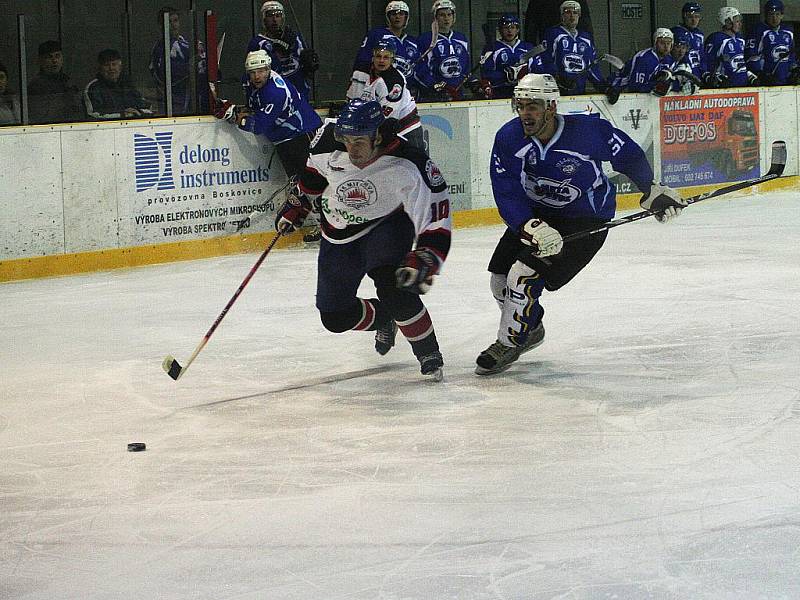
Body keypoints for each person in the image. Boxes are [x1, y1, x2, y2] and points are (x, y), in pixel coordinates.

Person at [475, 73, 686, 375]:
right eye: (520, 105)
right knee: (498, 279)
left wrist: (650, 189)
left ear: (550, 107)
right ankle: (529, 328)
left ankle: (509, 342)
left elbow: (627, 154)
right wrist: (528, 224)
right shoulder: (509, 138)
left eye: (532, 106)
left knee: (522, 274)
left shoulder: (586, 131)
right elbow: (506, 188)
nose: (525, 113)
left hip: (585, 218)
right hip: (538, 214)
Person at [274, 99, 452, 380]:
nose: (351, 148)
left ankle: (428, 353)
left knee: (396, 290)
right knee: (334, 317)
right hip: (338, 231)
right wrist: (298, 204)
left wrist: (427, 254)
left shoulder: (409, 161)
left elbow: (436, 213)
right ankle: (384, 317)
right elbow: (314, 177)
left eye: (358, 140)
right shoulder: (325, 144)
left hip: (387, 225)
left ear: (378, 135)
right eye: (346, 139)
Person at [346, 40, 423, 149]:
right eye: (378, 56)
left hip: (405, 130)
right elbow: (353, 101)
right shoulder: (360, 73)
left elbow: (388, 118)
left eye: (386, 57)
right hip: (377, 130)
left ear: (392, 60)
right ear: (373, 57)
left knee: (412, 164)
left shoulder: (393, 81)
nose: (381, 60)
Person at [246, 1, 318, 102]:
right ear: (264, 19)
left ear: (283, 18)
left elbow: (304, 67)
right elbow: (255, 76)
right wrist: (277, 54)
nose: (274, 20)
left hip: (299, 95)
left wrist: (309, 64)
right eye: (270, 16)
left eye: (278, 15)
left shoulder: (293, 38)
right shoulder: (257, 43)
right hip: (274, 99)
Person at [149, 6, 207, 115]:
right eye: (168, 22)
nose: (173, 25)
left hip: (195, 98)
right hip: (174, 103)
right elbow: (163, 75)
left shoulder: (188, 42)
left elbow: (202, 66)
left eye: (175, 21)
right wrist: (190, 66)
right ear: (161, 26)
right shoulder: (160, 48)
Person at [351, 1, 419, 92]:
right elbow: (362, 62)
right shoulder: (376, 35)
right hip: (379, 88)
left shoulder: (412, 42)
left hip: (404, 91)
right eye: (393, 14)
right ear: (388, 17)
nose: (397, 17)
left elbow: (418, 69)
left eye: (401, 14)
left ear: (406, 18)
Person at [540, 1, 606, 95]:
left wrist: (603, 87)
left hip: (579, 93)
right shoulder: (553, 34)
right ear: (562, 15)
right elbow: (545, 60)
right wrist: (558, 77)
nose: (572, 16)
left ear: (579, 16)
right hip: (556, 93)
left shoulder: (586, 38)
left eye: (575, 13)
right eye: (568, 12)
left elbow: (592, 67)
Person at [414, 0, 470, 102]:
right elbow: (419, 69)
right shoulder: (425, 39)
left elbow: (466, 67)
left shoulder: (461, 38)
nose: (446, 18)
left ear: (453, 17)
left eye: (449, 14)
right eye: (442, 15)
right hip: (434, 95)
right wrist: (433, 85)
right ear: (435, 17)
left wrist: (472, 81)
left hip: (457, 93)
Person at [83, 49, 154, 120]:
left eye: (114, 64)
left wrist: (136, 112)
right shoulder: (93, 88)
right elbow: (92, 115)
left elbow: (147, 107)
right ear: (100, 68)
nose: (111, 68)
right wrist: (122, 114)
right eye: (107, 65)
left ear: (120, 67)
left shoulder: (128, 85)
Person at [480, 14, 536, 99]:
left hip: (525, 92)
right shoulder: (492, 48)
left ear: (517, 30)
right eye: (506, 28)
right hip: (500, 92)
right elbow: (486, 73)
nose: (509, 31)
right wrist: (505, 75)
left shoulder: (528, 47)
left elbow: (537, 69)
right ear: (500, 30)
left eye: (513, 27)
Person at [607, 28, 677, 97]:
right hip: (618, 88)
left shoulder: (670, 60)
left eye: (668, 43)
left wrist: (670, 85)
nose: (666, 46)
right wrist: (656, 85)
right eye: (662, 43)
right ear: (655, 43)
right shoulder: (644, 59)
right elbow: (636, 87)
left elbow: (673, 83)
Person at [27, 40, 82, 124]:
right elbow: (39, 116)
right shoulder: (36, 85)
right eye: (49, 57)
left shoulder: (67, 81)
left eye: (57, 56)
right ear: (40, 60)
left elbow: (78, 108)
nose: (54, 60)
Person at [745, 0, 798, 86]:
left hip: (787, 81)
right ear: (766, 15)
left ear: (782, 15)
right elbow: (751, 57)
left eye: (777, 14)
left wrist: (794, 70)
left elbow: (791, 55)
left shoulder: (788, 31)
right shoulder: (758, 31)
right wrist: (760, 74)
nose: (774, 18)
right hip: (768, 81)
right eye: (771, 14)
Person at [704, 7, 758, 88]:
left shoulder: (740, 39)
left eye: (740, 21)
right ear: (727, 22)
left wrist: (750, 76)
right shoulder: (715, 39)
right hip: (725, 88)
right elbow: (708, 63)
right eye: (736, 21)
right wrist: (717, 78)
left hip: (744, 87)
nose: (740, 24)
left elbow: (741, 64)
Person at [524, 0, 593, 45]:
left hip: (574, 44)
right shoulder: (537, 2)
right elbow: (531, 26)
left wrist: (588, 44)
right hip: (548, 43)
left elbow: (585, 22)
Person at [671, 2, 706, 81]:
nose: (694, 20)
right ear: (684, 16)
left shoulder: (700, 34)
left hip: (697, 76)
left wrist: (705, 73)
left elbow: (702, 56)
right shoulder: (675, 32)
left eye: (696, 17)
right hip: (682, 76)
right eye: (690, 17)